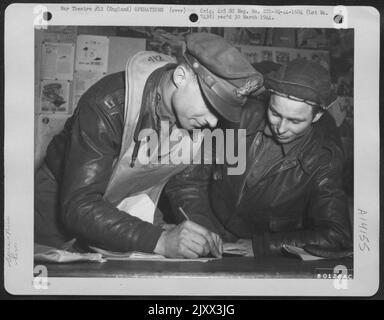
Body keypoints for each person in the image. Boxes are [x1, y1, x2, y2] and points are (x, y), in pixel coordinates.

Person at [34, 32, 263, 259]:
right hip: (59, 199)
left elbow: (186, 186)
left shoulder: (195, 117)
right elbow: (79, 205)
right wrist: (161, 241)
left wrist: (203, 233)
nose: (213, 122)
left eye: (220, 112)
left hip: (123, 199)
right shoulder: (107, 103)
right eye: (211, 106)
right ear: (181, 77)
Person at [165, 58, 353, 258]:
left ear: (316, 116)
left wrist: (262, 246)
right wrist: (205, 233)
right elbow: (188, 182)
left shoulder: (324, 159)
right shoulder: (237, 118)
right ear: (269, 99)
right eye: (275, 113)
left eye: (295, 121)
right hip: (208, 224)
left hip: (258, 253)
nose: (280, 128)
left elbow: (336, 235)